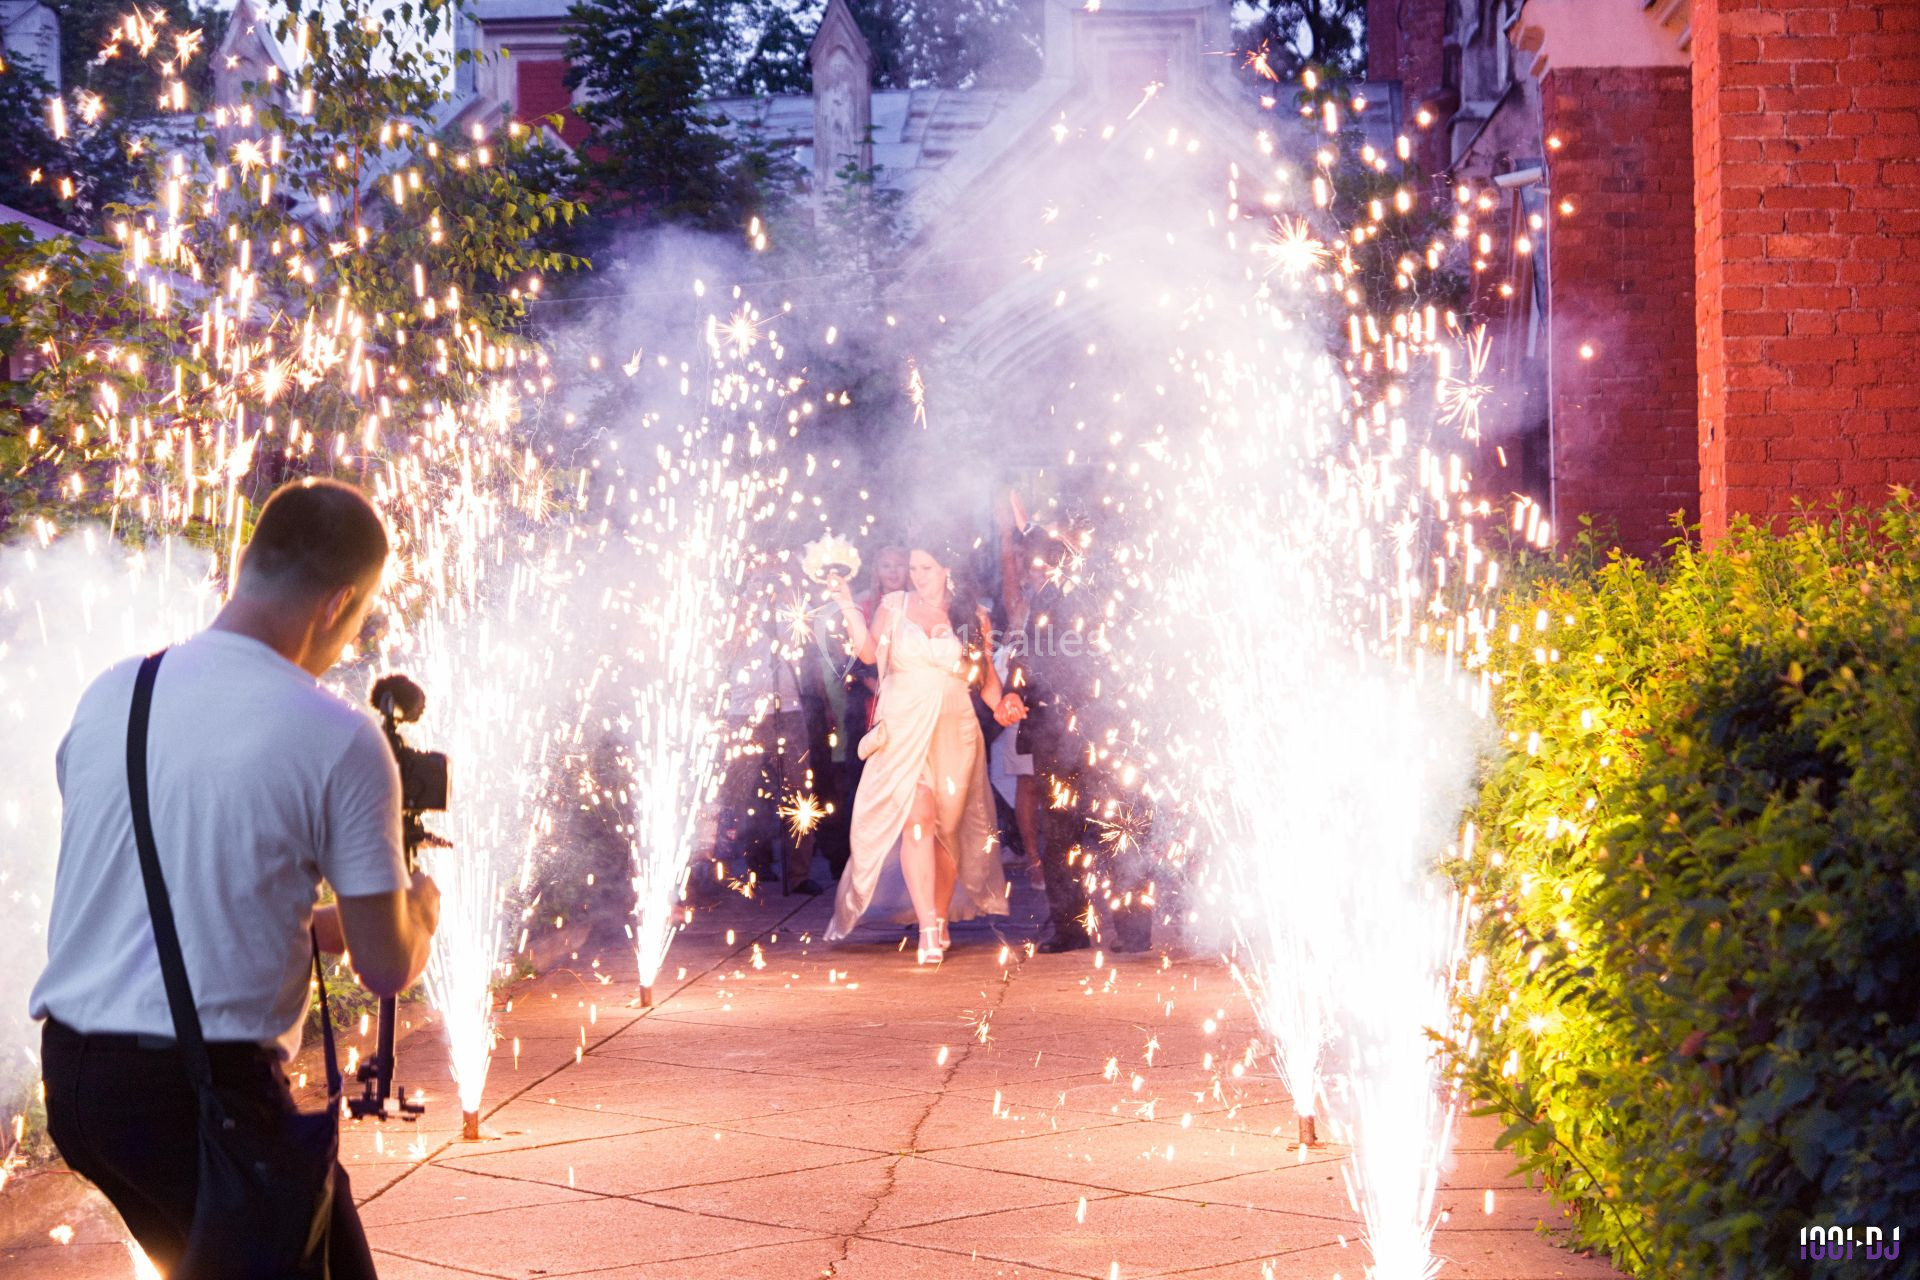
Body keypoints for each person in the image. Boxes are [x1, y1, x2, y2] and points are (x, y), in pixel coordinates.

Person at [30, 478, 441, 1278]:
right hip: (198, 1091)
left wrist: (315, 925)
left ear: (247, 562)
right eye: (357, 620)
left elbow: (161, 872)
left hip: (80, 1085)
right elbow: (387, 965)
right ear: (338, 602)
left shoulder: (118, 691)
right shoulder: (338, 736)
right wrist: (420, 909)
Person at [823, 537, 1021, 963]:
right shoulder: (894, 605)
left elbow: (985, 680)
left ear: (947, 569)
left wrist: (1003, 704)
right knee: (918, 819)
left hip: (954, 730)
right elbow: (869, 653)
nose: (916, 576)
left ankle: (941, 916)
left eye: (926, 568)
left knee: (946, 832)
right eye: (913, 568)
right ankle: (928, 926)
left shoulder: (973, 615)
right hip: (904, 724)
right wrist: (846, 606)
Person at [1005, 520, 1152, 954]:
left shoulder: (1113, 591)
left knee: (1116, 826)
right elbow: (1028, 655)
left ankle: (1133, 929)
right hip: (1053, 733)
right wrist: (1015, 690)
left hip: (1107, 730)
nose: (1050, 564)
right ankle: (1069, 929)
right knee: (1057, 832)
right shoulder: (1046, 598)